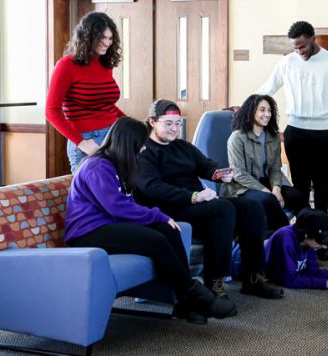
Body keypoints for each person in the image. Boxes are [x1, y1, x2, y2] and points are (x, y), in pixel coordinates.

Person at [64, 117, 238, 324]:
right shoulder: (97, 167)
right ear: (128, 144)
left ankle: (184, 304)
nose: (143, 150)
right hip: (88, 231)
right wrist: (157, 214)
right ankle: (196, 294)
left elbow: (126, 204)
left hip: (109, 223)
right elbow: (118, 207)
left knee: (169, 230)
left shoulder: (117, 164)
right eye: (140, 145)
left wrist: (160, 218)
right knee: (156, 241)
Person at [135, 99, 284, 301]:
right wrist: (194, 196)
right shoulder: (144, 151)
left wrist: (221, 174)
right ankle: (214, 280)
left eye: (178, 123)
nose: (174, 128)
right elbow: (152, 188)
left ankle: (254, 278)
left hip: (198, 203)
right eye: (168, 123)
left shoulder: (183, 147)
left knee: (252, 207)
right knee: (222, 209)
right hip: (170, 209)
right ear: (152, 122)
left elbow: (206, 166)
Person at [256, 21, 328, 260]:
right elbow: (268, 87)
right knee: (300, 188)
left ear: (313, 39)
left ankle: (323, 237)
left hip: (325, 131)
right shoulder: (287, 62)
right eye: (296, 48)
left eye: (303, 47)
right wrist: (247, 104)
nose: (300, 52)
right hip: (296, 130)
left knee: (322, 186)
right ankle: (305, 236)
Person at [46, 12, 125, 173]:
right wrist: (81, 142)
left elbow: (106, 105)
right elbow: (51, 111)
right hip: (87, 139)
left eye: (110, 38)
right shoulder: (66, 65)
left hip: (113, 135)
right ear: (87, 36)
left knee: (114, 191)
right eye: (102, 37)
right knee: (88, 194)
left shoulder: (104, 63)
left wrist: (131, 126)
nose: (107, 42)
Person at [223, 94, 308, 230]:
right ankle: (286, 239)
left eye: (269, 110)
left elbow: (275, 168)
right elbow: (239, 174)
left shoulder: (273, 137)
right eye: (262, 110)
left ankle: (309, 236)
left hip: (268, 182)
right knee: (269, 200)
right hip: (243, 186)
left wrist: (276, 189)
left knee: (298, 196)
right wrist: (268, 193)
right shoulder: (237, 138)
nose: (267, 114)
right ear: (251, 111)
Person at [265, 208, 328, 290]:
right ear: (307, 235)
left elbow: (312, 270)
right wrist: (326, 283)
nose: (324, 246)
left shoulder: (307, 241)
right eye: (321, 242)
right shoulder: (285, 238)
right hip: (265, 276)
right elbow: (290, 280)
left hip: (289, 274)